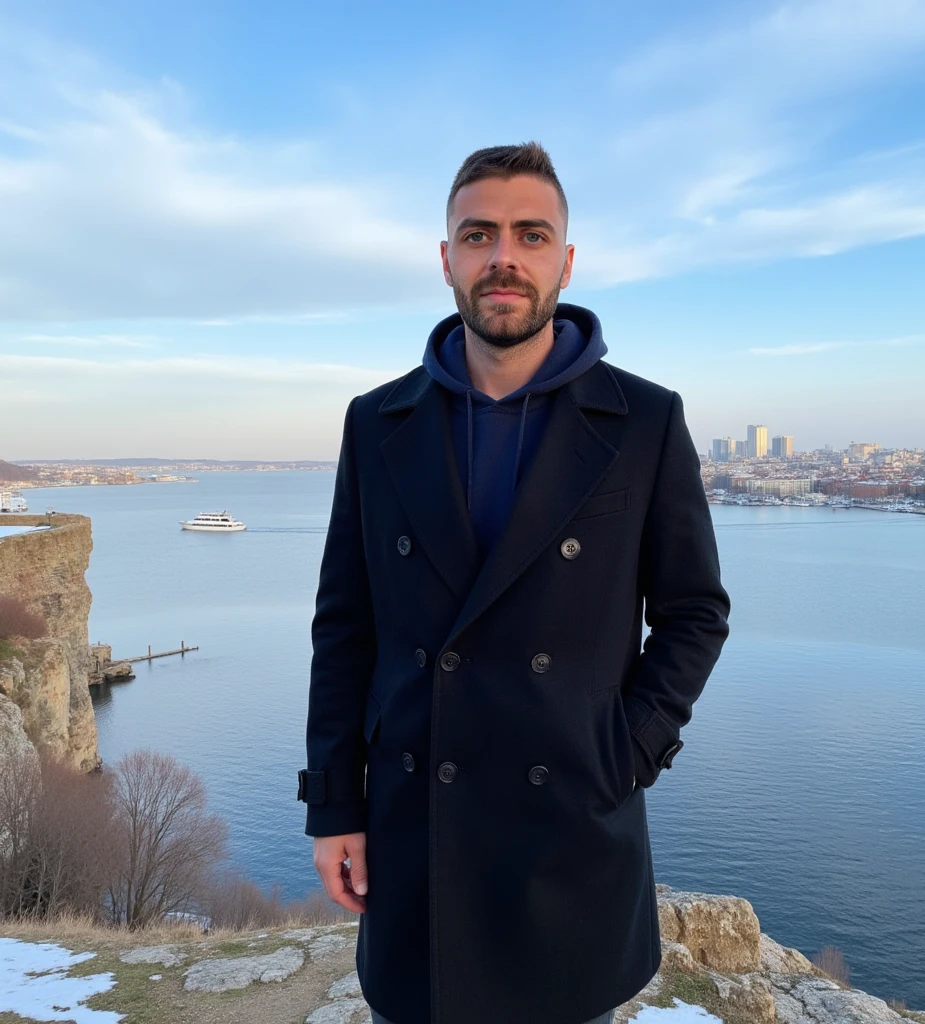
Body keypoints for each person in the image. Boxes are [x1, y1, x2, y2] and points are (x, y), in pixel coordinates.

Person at [298, 142, 730, 1024]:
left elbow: (694, 613)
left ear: (564, 261)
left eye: (531, 235)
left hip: (569, 824)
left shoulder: (645, 420)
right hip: (418, 825)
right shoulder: (377, 422)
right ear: (447, 258)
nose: (505, 256)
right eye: (479, 234)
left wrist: (627, 749)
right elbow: (346, 626)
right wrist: (335, 803)